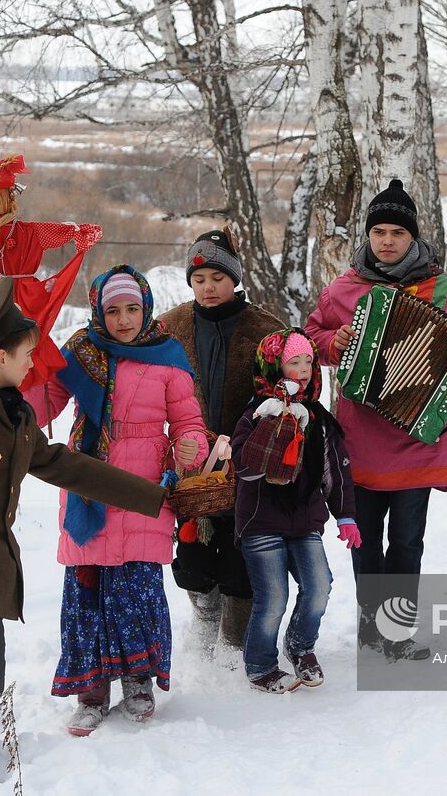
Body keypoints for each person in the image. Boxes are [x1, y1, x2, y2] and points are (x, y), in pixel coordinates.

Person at [0, 278, 166, 776]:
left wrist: (149, 496)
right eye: (27, 354)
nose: (33, 364)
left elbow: (63, 465)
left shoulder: (11, 412)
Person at [304, 178, 447, 660]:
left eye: (398, 233)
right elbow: (309, 337)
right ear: (368, 236)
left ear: (414, 238)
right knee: (364, 542)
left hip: (419, 440)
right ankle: (372, 626)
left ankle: (397, 631)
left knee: (407, 542)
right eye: (379, 231)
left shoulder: (443, 290)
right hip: (359, 438)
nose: (387, 241)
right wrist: (333, 344)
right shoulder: (344, 289)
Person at [25, 265, 208, 733]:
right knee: (87, 589)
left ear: (145, 308)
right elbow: (43, 404)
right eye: (112, 310)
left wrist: (192, 448)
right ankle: (91, 690)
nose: (123, 319)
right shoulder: (79, 352)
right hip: (87, 480)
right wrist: (23, 369)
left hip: (143, 486)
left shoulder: (168, 358)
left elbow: (188, 423)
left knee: (137, 588)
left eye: (132, 309)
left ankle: (138, 679)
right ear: (98, 312)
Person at [159, 229, 283, 661]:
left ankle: (236, 640)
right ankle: (205, 617)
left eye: (217, 277)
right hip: (192, 463)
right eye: (199, 279)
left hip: (250, 464)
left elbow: (293, 392)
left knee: (241, 553)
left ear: (234, 278)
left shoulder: (266, 330)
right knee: (193, 550)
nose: (208, 287)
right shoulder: (169, 328)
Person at [230, 329, 358, 692]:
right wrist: (273, 430)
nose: (302, 369)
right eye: (293, 362)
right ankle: (259, 664)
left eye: (307, 362)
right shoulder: (257, 412)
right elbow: (243, 465)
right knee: (273, 598)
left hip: (305, 520)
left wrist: (345, 514)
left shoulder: (317, 417)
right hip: (261, 521)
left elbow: (335, 468)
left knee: (319, 587)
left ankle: (300, 646)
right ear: (274, 366)